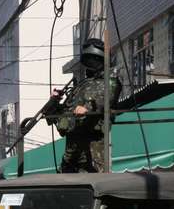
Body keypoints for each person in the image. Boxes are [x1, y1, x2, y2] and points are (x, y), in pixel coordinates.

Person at [45, 39, 122, 173]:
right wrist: (54, 102)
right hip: (71, 151)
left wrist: (88, 109)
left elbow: (104, 101)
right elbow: (58, 117)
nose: (91, 62)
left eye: (95, 59)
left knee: (92, 185)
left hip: (92, 150)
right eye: (89, 59)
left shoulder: (111, 82)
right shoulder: (80, 87)